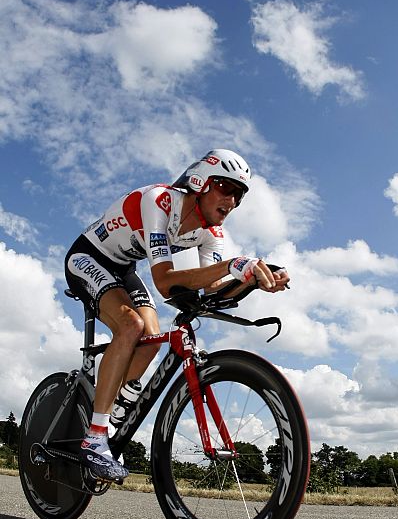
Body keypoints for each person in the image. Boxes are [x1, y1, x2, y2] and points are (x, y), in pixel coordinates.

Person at [64, 148, 290, 482]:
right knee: (131, 325)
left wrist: (252, 280)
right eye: (226, 188)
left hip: (123, 268)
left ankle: (114, 405)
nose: (232, 201)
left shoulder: (210, 234)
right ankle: (96, 436)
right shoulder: (159, 201)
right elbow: (165, 282)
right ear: (200, 182)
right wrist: (232, 264)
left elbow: (212, 286)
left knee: (152, 338)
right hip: (89, 257)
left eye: (239, 195)